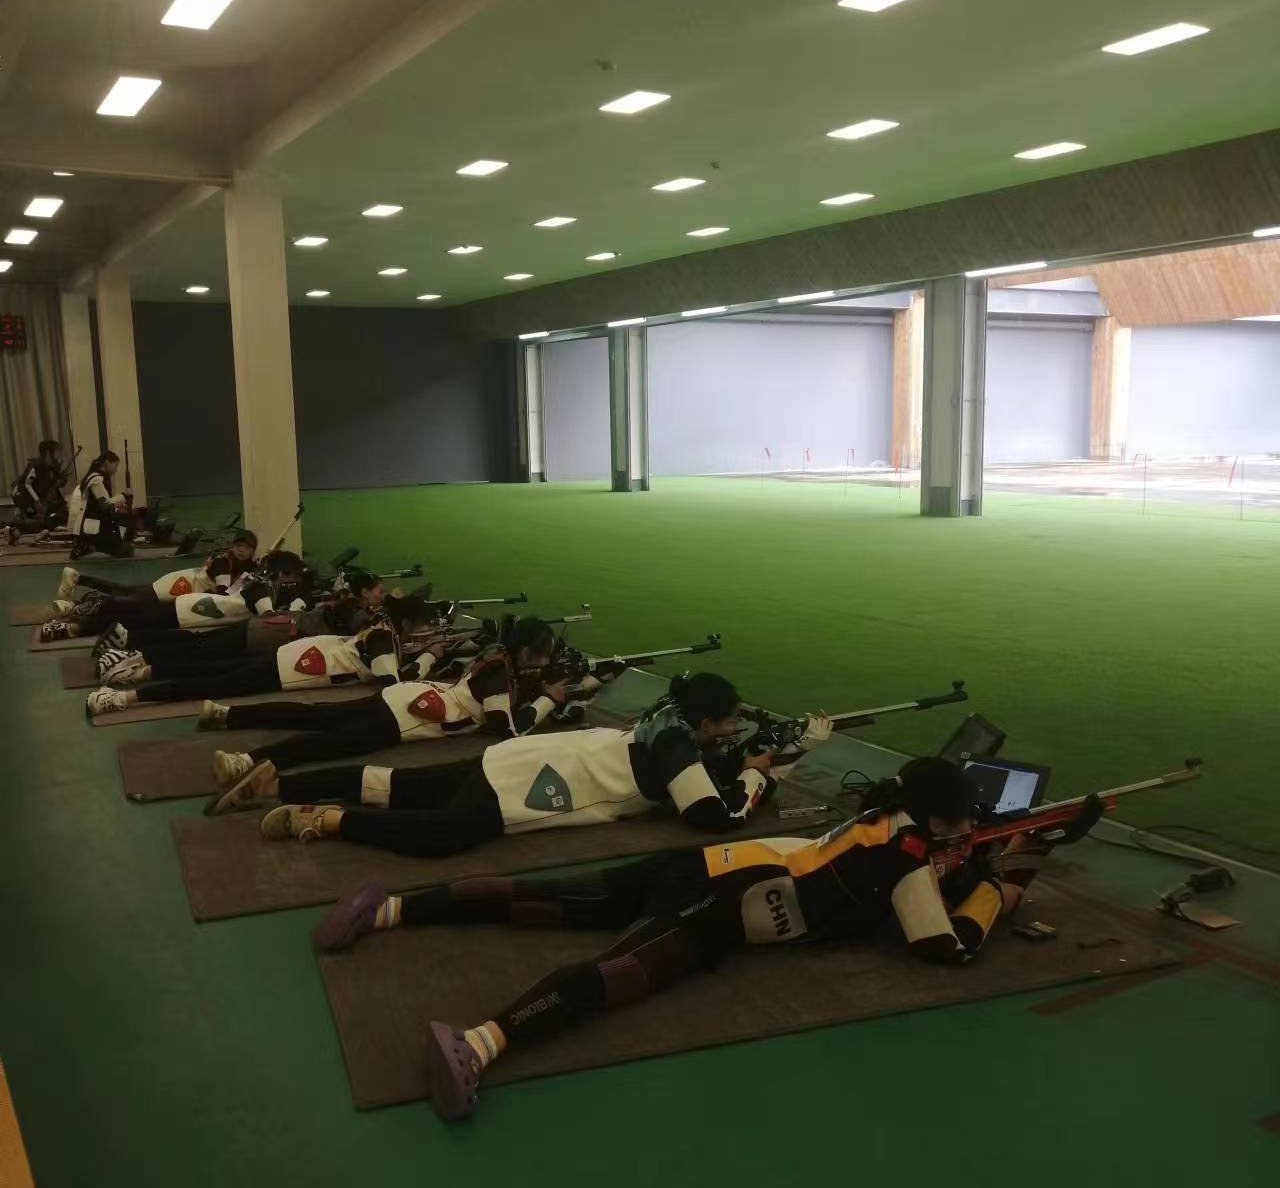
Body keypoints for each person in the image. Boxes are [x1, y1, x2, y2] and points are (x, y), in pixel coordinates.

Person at [311, 756, 1096, 1121]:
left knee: (550, 900)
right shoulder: (910, 862)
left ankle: (387, 909)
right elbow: (946, 948)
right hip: (720, 910)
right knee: (616, 974)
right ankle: (480, 1046)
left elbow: (917, 864)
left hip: (710, 863)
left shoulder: (882, 819)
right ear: (943, 819)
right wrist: (1009, 879)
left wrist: (974, 857)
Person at [211, 674, 826, 845]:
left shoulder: (668, 718)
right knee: (442, 835)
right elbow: (711, 817)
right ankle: (321, 818)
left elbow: (704, 772)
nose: (732, 730)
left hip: (525, 754)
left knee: (399, 784)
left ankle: (279, 784)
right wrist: (758, 775)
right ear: (705, 723)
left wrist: (765, 756)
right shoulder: (677, 746)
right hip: (541, 784)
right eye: (727, 721)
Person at [204, 617, 568, 795]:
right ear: (523, 652)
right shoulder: (500, 672)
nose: (541, 662)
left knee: (316, 716)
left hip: (407, 697)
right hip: (407, 717)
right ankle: (246, 762)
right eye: (539, 655)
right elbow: (507, 728)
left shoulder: (497, 657)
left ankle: (229, 718)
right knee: (328, 742)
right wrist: (548, 701)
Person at [84, 593, 435, 717]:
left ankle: (136, 674)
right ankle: (122, 697)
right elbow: (392, 685)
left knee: (210, 670)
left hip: (292, 654)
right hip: (290, 668)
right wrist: (430, 658)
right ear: (406, 623)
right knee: (211, 684)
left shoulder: (382, 629)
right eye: (422, 626)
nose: (425, 632)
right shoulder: (383, 639)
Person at [88, 563, 388, 684]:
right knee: (199, 652)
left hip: (264, 630)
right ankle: (132, 657)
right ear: (363, 592)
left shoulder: (341, 604)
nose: (380, 596)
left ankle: (132, 651)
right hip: (267, 632)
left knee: (198, 647)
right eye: (378, 591)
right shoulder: (351, 610)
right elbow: (363, 630)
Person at [39, 550, 313, 642]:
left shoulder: (253, 579)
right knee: (132, 616)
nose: (292, 583)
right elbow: (268, 619)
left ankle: (76, 617)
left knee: (132, 614)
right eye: (292, 577)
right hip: (191, 612)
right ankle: (77, 619)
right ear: (283, 574)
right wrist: (294, 615)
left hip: (192, 606)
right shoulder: (263, 588)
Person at [53, 530, 259, 610]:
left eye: (247, 548)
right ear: (233, 547)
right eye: (239, 546)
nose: (242, 551)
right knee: (127, 597)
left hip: (186, 588)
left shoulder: (244, 566)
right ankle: (77, 595)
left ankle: (78, 582)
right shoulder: (224, 562)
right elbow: (224, 595)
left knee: (127, 592)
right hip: (180, 585)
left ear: (252, 551)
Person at [65, 451, 131, 559]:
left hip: (93, 521)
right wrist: (123, 495)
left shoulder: (94, 477)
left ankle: (88, 545)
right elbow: (104, 504)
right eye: (115, 465)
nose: (116, 469)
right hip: (94, 524)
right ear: (107, 462)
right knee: (125, 551)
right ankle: (88, 545)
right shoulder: (96, 479)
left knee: (125, 549)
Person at [10, 440, 68, 529]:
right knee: (37, 521)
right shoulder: (36, 466)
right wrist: (37, 501)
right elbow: (27, 484)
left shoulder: (52, 467)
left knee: (60, 509)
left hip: (41, 498)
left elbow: (53, 485)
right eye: (56, 452)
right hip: (25, 496)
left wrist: (61, 481)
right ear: (48, 453)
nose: (58, 455)